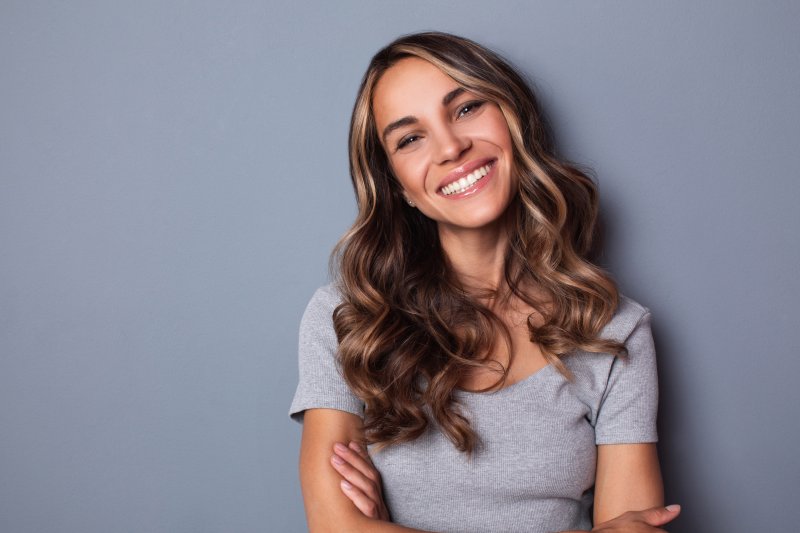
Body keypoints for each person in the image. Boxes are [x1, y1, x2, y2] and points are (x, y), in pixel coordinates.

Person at [290, 32, 680, 533]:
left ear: (514, 121)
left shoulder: (614, 332)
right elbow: (335, 528)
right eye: (410, 139)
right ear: (398, 188)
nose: (451, 147)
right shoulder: (348, 320)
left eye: (467, 108)